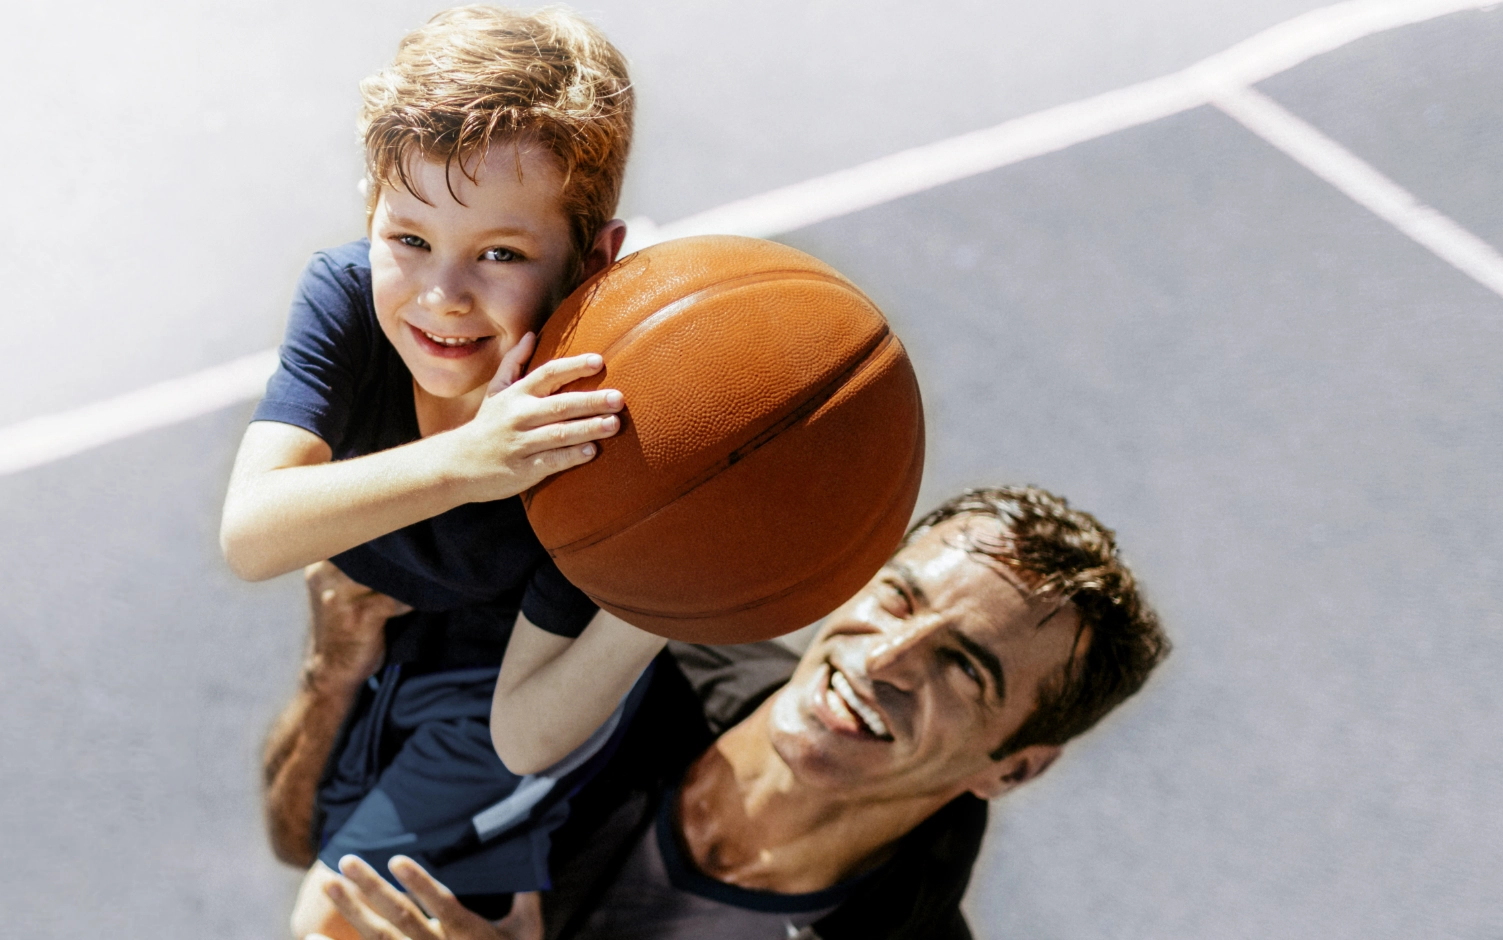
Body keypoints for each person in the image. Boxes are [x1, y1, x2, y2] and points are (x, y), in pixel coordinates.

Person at [220, 6, 676, 932]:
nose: (442, 295)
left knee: (334, 918)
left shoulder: (592, 420)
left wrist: (663, 590)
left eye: (501, 254)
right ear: (370, 213)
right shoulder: (347, 297)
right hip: (395, 647)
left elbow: (526, 730)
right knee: (295, 827)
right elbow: (251, 534)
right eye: (409, 238)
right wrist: (469, 461)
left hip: (509, 678)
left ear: (592, 261)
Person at [274, 486, 1172, 940]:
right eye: (898, 600)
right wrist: (334, 679)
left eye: (963, 668)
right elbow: (308, 838)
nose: (884, 659)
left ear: (1012, 766)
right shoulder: (616, 669)